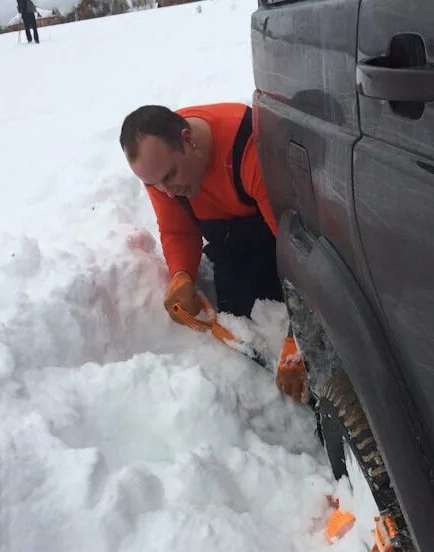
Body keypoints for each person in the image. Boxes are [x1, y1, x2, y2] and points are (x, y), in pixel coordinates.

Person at [119, 103, 305, 402]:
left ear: (187, 140)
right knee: (243, 324)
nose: (166, 192)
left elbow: (298, 254)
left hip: (277, 239)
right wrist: (181, 276)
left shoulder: (250, 147)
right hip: (233, 246)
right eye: (153, 185)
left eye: (169, 177)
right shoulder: (160, 167)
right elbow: (178, 231)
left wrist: (300, 340)